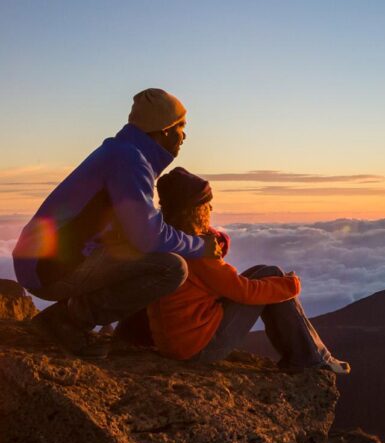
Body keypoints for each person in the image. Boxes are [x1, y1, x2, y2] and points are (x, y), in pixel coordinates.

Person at [13, 89, 220, 358]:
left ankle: (79, 319)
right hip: (47, 267)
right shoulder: (130, 160)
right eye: (181, 126)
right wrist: (200, 245)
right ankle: (68, 321)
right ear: (165, 130)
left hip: (41, 259)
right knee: (170, 268)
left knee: (143, 252)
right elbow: (148, 236)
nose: (185, 135)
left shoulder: (121, 152)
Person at [148, 167, 350, 374]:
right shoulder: (197, 252)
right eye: (206, 203)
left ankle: (310, 356)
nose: (211, 208)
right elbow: (244, 292)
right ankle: (311, 359)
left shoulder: (171, 241)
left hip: (177, 342)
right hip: (198, 347)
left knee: (268, 272)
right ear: (195, 210)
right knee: (275, 281)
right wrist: (291, 285)